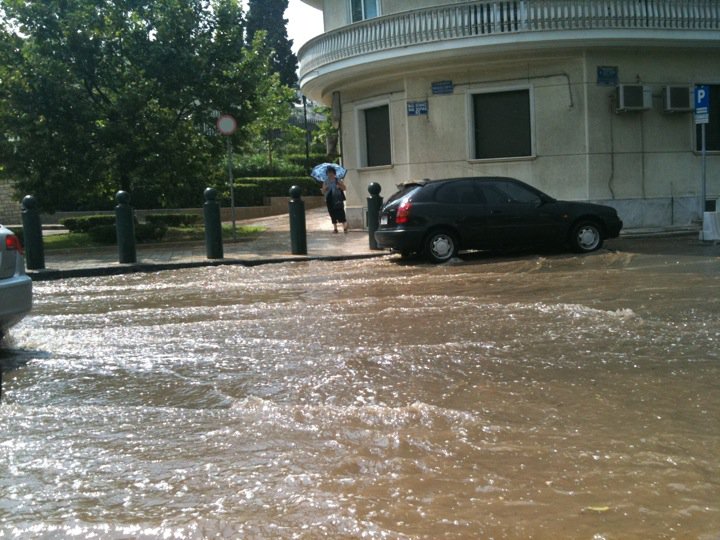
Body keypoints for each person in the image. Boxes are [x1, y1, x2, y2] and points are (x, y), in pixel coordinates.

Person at [320, 166, 348, 233]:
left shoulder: (337, 180)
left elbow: (344, 188)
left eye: (331, 172)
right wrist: (325, 189)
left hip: (338, 198)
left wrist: (339, 186)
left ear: (334, 173)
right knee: (332, 213)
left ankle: (345, 227)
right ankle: (335, 228)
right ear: (327, 173)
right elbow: (323, 192)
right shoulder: (325, 181)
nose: (330, 174)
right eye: (329, 172)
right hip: (329, 199)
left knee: (341, 212)